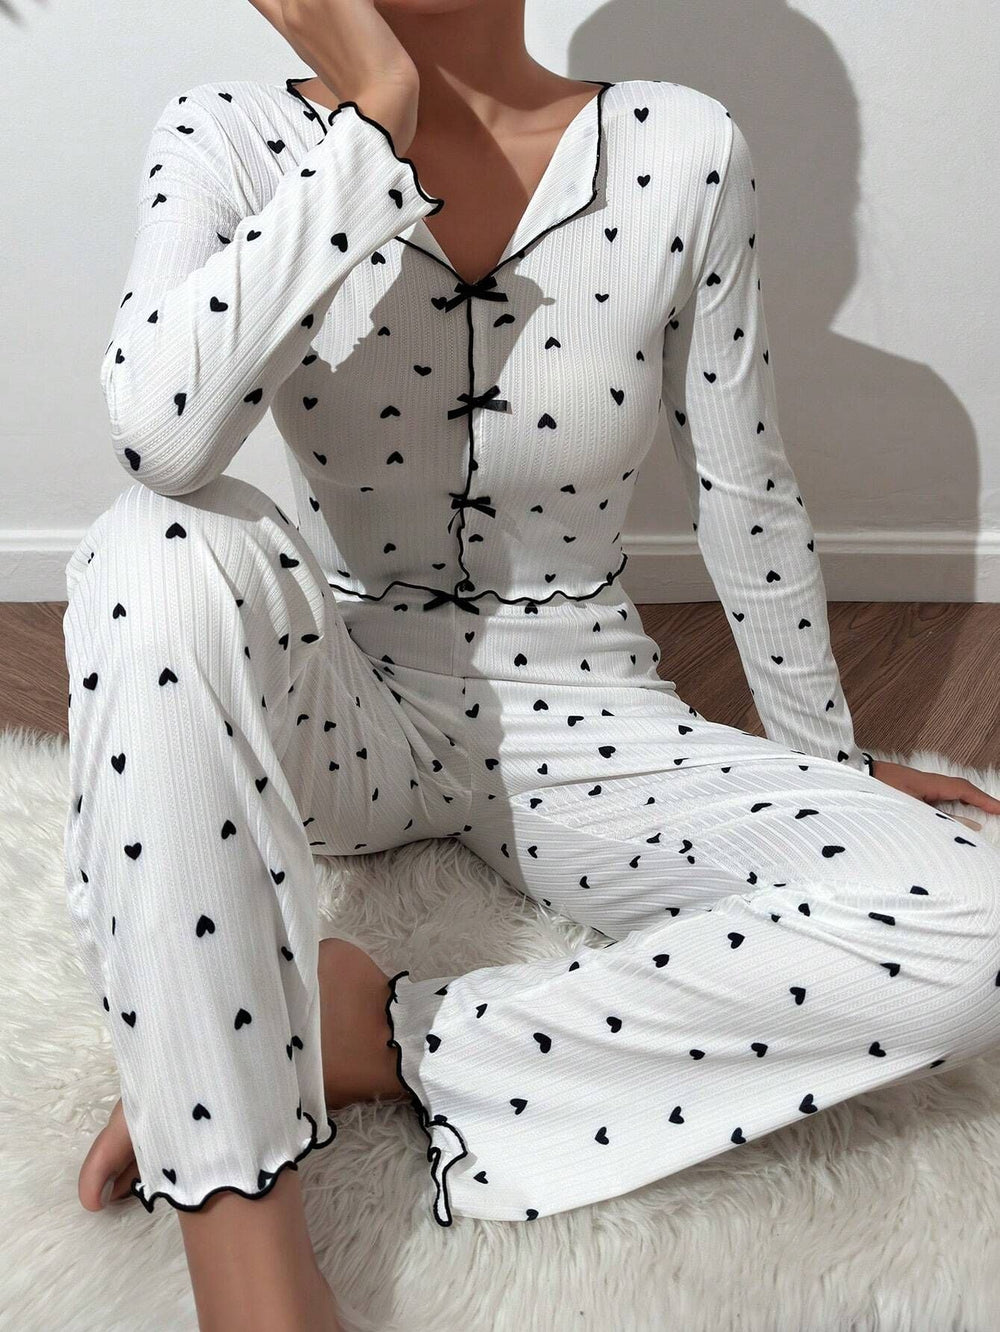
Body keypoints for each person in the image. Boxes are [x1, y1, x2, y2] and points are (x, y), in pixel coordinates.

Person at [62, 0, 1000, 1328]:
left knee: (976, 914)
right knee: (147, 547)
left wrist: (827, 773)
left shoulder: (680, 148)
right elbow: (162, 438)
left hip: (588, 710)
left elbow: (745, 493)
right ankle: (251, 1266)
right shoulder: (235, 136)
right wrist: (371, 118)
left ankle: (378, 1033)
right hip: (337, 696)